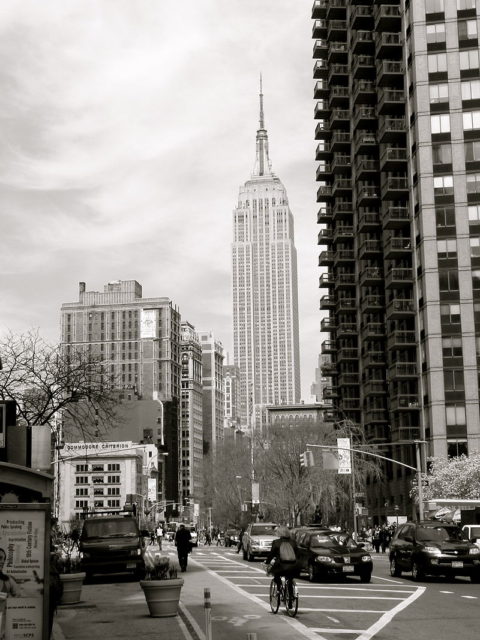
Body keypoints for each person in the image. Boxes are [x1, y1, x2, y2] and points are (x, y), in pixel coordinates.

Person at [264, 526, 299, 601]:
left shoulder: (276, 542)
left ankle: (279, 590)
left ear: (279, 533)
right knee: (289, 579)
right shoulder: (293, 542)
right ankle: (290, 597)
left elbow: (271, 555)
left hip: (281, 566)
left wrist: (267, 562)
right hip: (293, 566)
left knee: (276, 575)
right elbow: (297, 554)